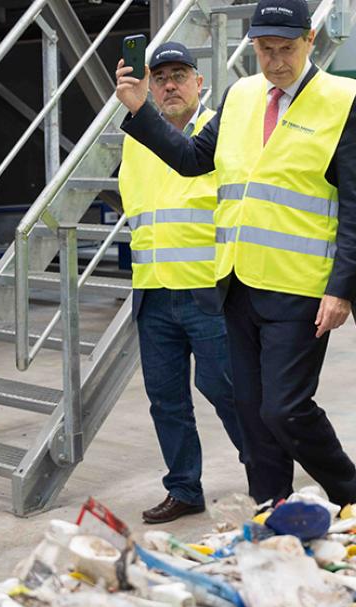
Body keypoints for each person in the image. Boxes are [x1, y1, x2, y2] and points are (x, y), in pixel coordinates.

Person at [116, 0, 356, 507]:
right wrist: (140, 109)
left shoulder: (344, 101)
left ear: (310, 41)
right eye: (264, 49)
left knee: (285, 409)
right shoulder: (240, 96)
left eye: (286, 49)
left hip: (301, 288)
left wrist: (341, 289)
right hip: (236, 286)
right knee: (252, 416)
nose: (275, 61)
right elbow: (193, 160)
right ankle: (271, 508)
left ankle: (352, 496)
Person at [119, 42, 248, 524]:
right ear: (150, 86)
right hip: (153, 293)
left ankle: (262, 471)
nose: (170, 85)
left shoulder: (222, 133)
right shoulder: (138, 139)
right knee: (166, 399)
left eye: (180, 76)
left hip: (208, 292)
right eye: (160, 78)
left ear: (199, 82)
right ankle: (184, 488)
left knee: (227, 389)